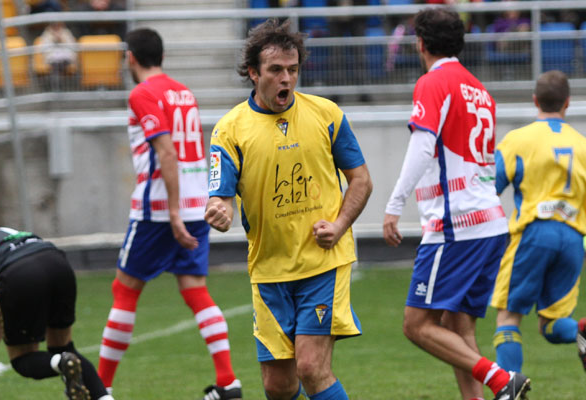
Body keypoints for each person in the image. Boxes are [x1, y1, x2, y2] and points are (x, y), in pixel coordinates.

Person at [205, 18, 373, 400]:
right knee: (277, 385)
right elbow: (220, 196)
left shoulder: (326, 114)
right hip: (268, 269)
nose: (286, 79)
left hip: (322, 263)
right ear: (253, 73)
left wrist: (340, 224)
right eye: (276, 70)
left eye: (293, 70)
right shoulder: (228, 130)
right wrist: (220, 210)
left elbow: (361, 180)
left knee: (311, 368)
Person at [382, 8, 530, 400]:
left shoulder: (434, 82)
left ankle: (500, 379)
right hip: (490, 223)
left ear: (420, 44)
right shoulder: (479, 89)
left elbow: (423, 144)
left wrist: (394, 204)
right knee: (457, 324)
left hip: (456, 225)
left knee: (417, 324)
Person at [96, 28, 241, 400]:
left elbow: (166, 153)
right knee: (195, 289)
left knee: (125, 289)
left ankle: (99, 389)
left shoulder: (142, 93)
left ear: (131, 57)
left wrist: (172, 212)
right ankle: (228, 383)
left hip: (160, 210)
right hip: (197, 205)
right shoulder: (183, 91)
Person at [490, 70, 586, 374]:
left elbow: (490, 187)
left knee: (508, 317)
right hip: (572, 238)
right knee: (551, 324)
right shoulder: (583, 145)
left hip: (533, 232)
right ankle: (582, 331)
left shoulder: (518, 140)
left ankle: (510, 390)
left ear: (535, 100)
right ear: (567, 103)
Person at [0, 212, 113, 400]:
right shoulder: (4, 233)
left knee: (23, 358)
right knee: (65, 347)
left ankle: (61, 363)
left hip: (19, 272)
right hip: (56, 261)